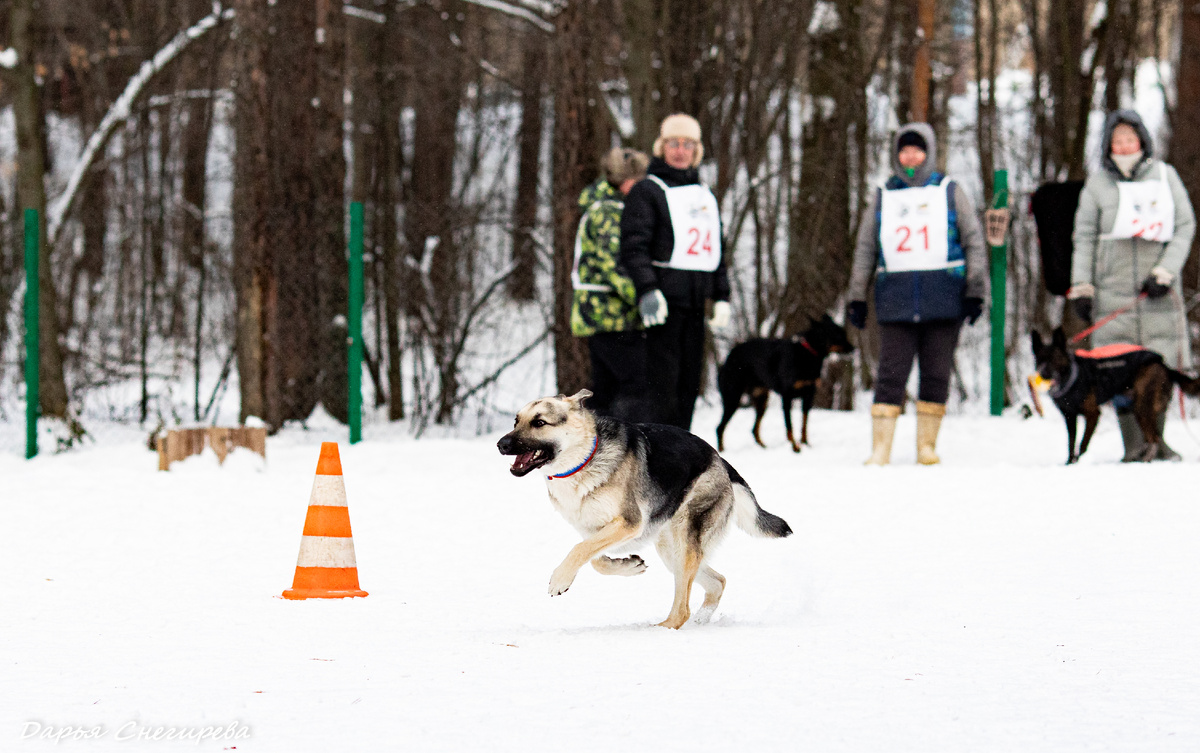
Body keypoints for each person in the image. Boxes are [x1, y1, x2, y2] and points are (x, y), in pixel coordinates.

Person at [846, 122, 988, 465]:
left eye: (917, 149)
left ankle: (927, 447)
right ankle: (880, 449)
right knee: (891, 373)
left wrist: (976, 289)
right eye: (904, 150)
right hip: (895, 299)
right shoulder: (883, 194)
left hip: (945, 297)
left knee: (936, 372)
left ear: (929, 152)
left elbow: (973, 240)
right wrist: (856, 296)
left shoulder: (949, 190)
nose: (911, 156)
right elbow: (866, 247)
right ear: (897, 155)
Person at [1067, 109, 1196, 462]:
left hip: (1157, 294)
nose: (1124, 145)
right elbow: (1084, 237)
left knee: (1160, 367)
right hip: (1113, 295)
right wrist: (1082, 286)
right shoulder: (1097, 185)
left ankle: (1158, 440)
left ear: (1142, 140)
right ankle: (1133, 445)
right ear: (1108, 145)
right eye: (1117, 139)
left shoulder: (1165, 176)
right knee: (1118, 371)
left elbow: (1185, 226)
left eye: (1130, 138)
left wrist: (1165, 272)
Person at [619, 113, 732, 430]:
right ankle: (656, 460)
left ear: (696, 150)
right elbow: (633, 246)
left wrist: (722, 295)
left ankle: (680, 458)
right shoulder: (648, 190)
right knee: (661, 391)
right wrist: (647, 289)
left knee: (687, 389)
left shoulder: (704, 194)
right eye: (673, 144)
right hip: (663, 307)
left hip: (695, 306)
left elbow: (716, 249)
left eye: (687, 144)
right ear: (662, 147)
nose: (679, 150)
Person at [570, 147, 652, 421]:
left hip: (603, 312)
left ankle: (595, 447)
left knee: (605, 390)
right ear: (620, 179)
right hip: (609, 313)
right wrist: (643, 295)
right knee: (637, 383)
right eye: (637, 179)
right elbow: (613, 265)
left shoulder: (610, 206)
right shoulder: (609, 212)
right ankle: (624, 446)